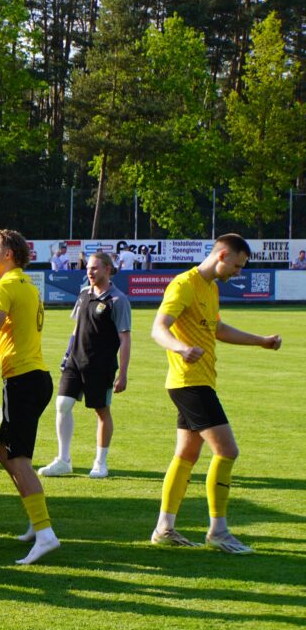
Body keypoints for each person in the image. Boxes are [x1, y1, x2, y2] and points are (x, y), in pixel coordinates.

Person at [149, 234, 281, 554]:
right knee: (227, 451)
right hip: (189, 381)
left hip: (198, 381)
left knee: (186, 454)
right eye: (236, 265)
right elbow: (158, 328)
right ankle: (218, 531)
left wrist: (260, 341)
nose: (238, 272)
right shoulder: (184, 285)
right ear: (222, 255)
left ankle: (164, 529)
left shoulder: (211, 288)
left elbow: (218, 330)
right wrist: (181, 348)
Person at [0, 230, 60, 565]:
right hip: (32, 378)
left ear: (8, 253)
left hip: (24, 380)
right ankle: (38, 525)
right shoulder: (24, 285)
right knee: (6, 454)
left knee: (17, 458)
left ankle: (45, 532)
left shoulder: (6, 286)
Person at [39, 251, 131, 479]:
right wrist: (67, 354)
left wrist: (124, 374)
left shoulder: (117, 300)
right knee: (62, 405)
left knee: (101, 411)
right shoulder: (83, 295)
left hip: (100, 367)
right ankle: (63, 460)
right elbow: (76, 329)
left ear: (108, 269)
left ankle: (101, 462)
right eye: (88, 268)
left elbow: (125, 338)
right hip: (74, 363)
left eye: (95, 268)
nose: (90, 271)